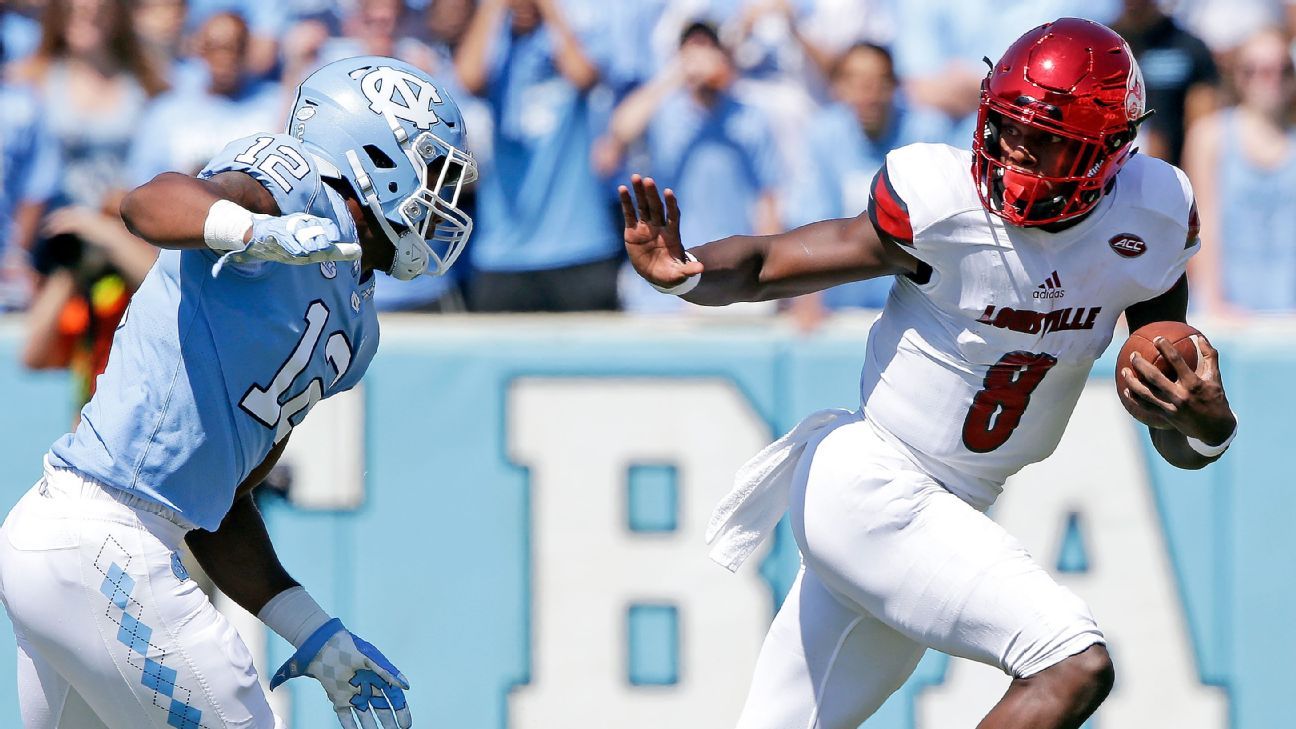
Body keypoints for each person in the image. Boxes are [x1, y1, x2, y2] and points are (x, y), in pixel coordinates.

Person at [621, 18, 1237, 729]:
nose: (1011, 150)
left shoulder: (1150, 218)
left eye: (1041, 139)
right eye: (1006, 126)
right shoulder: (944, 201)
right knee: (1071, 657)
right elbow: (771, 262)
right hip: (871, 479)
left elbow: (1177, 428)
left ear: (1104, 152)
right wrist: (687, 271)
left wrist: (1209, 424)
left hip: (950, 507)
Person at [0, 55, 477, 729]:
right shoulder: (295, 180)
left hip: (88, 544)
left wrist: (313, 630)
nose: (442, 197)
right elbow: (149, 204)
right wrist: (252, 228)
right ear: (375, 150)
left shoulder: (358, 329)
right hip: (101, 534)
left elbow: (218, 506)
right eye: (430, 168)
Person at [601, 20, 781, 313]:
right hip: (668, 268)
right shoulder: (663, 111)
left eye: (708, 49)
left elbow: (768, 197)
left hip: (730, 270)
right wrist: (677, 73)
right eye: (693, 50)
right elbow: (620, 129)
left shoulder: (749, 116)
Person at [456, 0, 622, 312]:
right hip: (502, 251)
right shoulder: (497, 46)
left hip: (579, 246)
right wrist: (493, 7)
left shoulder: (570, 37)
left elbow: (583, 75)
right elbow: (468, 77)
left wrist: (549, 9)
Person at [1183, 26, 1296, 316]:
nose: (1270, 80)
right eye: (1256, 70)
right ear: (1239, 76)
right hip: (1228, 307)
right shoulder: (1209, 136)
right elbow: (1200, 222)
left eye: (1281, 70)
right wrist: (1214, 302)